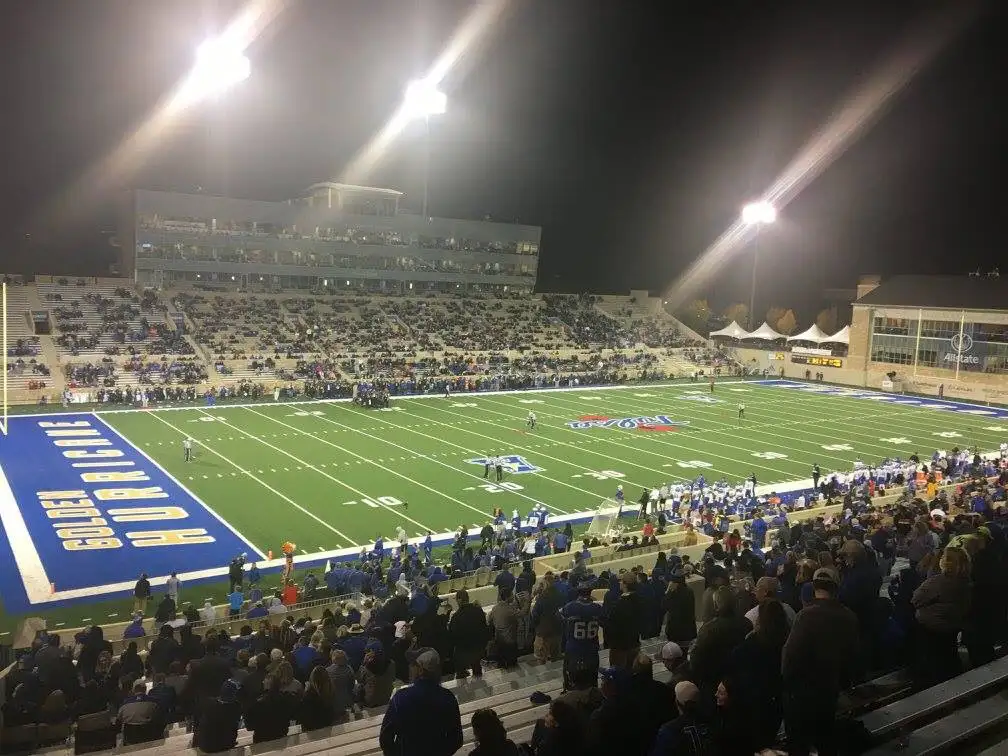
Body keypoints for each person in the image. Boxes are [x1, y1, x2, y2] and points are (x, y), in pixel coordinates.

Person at [782, 566, 860, 756]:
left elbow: (789, 658)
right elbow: (853, 657)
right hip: (830, 692)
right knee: (825, 741)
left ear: (814, 587)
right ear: (836, 588)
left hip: (803, 696)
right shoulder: (849, 616)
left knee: (799, 745)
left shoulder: (805, 616)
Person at [379, 648, 463, 756]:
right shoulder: (448, 698)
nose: (410, 667)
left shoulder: (400, 698)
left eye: (413, 664)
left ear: (421, 670)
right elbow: (457, 740)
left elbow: (386, 739)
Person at [560, 586, 604, 690]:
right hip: (591, 649)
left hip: (574, 649)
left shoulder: (570, 607)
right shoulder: (597, 608)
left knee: (572, 679)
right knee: (592, 679)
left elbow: (560, 617)